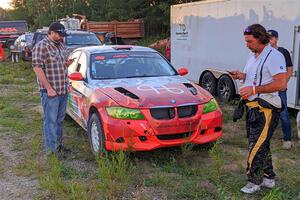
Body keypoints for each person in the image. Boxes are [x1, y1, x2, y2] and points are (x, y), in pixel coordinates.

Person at [229, 24, 287, 194]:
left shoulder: (275, 56)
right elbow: (253, 77)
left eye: (249, 41)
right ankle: (269, 178)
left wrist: (254, 90)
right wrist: (241, 76)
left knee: (256, 146)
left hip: (266, 109)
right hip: (252, 107)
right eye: (245, 41)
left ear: (261, 38)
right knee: (263, 144)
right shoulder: (252, 55)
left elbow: (281, 83)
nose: (247, 44)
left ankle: (254, 181)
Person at [32, 22, 73, 156]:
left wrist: (66, 64)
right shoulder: (41, 47)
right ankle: (52, 150)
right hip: (50, 92)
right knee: (50, 121)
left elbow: (59, 65)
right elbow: (37, 68)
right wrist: (49, 88)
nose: (61, 37)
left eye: (62, 35)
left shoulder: (60, 45)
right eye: (59, 35)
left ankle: (58, 145)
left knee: (59, 121)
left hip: (63, 90)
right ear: (51, 33)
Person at [268, 29, 293, 149]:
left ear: (276, 39)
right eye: (267, 38)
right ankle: (265, 136)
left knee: (283, 114)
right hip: (267, 88)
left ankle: (287, 139)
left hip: (280, 89)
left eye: (271, 37)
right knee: (267, 113)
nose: (269, 40)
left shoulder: (283, 52)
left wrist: (283, 83)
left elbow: (289, 69)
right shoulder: (265, 52)